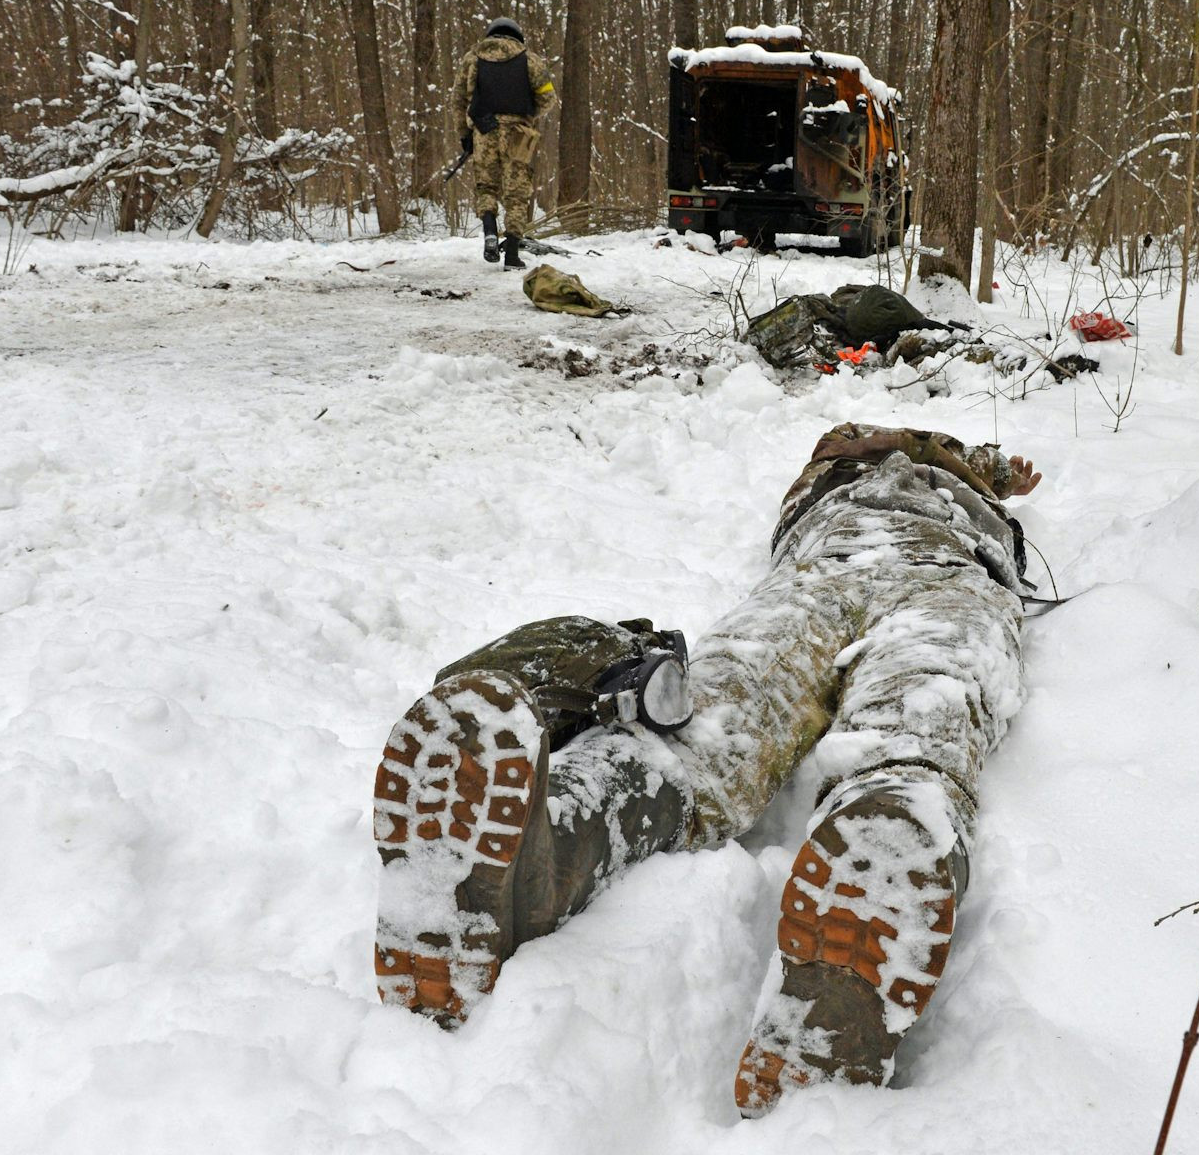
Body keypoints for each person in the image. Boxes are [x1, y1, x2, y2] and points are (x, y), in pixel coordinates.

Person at [372, 424, 1042, 1115]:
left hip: (898, 573)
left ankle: (867, 880)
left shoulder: (957, 490)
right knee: (750, 718)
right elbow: (850, 438)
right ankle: (543, 850)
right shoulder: (859, 458)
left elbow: (944, 458)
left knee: (800, 728)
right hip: (858, 564)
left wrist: (992, 473)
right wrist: (967, 466)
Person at [452, 18, 557, 268]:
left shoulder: (472, 58)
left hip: (483, 129)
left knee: (486, 186)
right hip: (519, 132)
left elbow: (457, 100)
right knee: (517, 193)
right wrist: (527, 113)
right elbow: (548, 97)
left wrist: (465, 135)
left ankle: (490, 231)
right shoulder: (530, 60)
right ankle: (511, 254)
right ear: (517, 36)